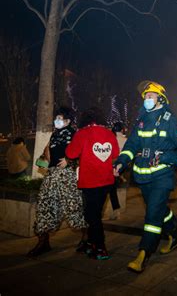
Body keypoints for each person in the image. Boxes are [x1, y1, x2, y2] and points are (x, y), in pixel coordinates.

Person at [113, 81, 177, 273]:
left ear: (160, 98)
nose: (146, 99)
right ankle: (175, 235)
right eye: (145, 97)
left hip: (163, 175)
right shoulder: (141, 119)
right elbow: (132, 145)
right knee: (159, 209)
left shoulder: (170, 120)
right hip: (143, 176)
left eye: (150, 96)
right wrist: (121, 161)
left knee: (152, 214)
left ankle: (144, 253)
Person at [28, 107, 87, 257]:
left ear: (67, 121)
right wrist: (45, 160)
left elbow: (82, 152)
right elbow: (47, 152)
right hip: (52, 174)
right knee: (45, 205)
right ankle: (43, 242)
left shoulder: (75, 135)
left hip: (67, 177)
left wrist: (69, 161)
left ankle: (87, 238)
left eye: (60, 119)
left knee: (73, 207)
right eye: (56, 118)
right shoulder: (54, 135)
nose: (57, 121)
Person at [66, 107, 119, 260]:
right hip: (107, 181)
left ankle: (101, 247)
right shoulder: (109, 133)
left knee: (92, 216)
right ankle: (92, 244)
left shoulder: (82, 133)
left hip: (90, 182)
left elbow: (71, 153)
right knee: (95, 213)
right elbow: (115, 153)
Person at [106, 122, 127, 220]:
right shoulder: (126, 140)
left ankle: (115, 210)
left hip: (111, 167)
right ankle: (118, 210)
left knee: (111, 189)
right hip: (123, 167)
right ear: (122, 129)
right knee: (119, 189)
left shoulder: (110, 139)